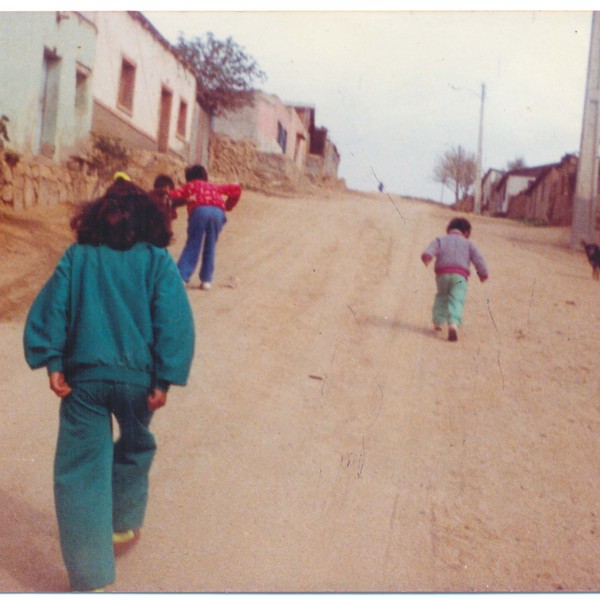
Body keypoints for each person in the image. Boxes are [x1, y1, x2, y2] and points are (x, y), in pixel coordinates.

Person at [23, 181, 195, 591]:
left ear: (96, 218)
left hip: (84, 382)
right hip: (139, 382)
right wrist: (165, 378)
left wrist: (53, 362)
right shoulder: (156, 261)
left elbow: (53, 309)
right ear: (151, 221)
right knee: (136, 446)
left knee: (81, 469)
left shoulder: (77, 257)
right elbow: (173, 319)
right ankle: (120, 525)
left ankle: (91, 577)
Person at [170, 164, 241, 290]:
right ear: (205, 177)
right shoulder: (214, 186)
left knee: (193, 243)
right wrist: (228, 205)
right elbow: (236, 189)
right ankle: (206, 280)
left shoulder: (190, 185)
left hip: (199, 210)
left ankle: (182, 276)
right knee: (211, 244)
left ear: (189, 178)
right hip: (218, 212)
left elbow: (174, 195)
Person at [421, 216, 488, 342]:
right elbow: (478, 259)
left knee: (442, 295)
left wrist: (427, 257)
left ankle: (438, 322)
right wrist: (482, 273)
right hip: (460, 277)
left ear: (448, 229)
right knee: (457, 298)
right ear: (467, 232)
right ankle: (453, 324)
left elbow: (430, 249)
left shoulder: (441, 240)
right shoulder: (468, 244)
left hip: (443, 274)